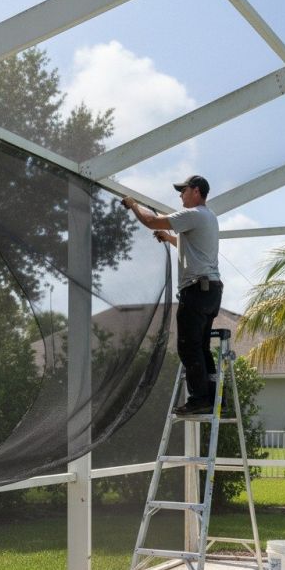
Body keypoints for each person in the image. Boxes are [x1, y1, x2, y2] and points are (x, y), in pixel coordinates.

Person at [122, 175, 222, 414]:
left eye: (183, 190)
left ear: (196, 191)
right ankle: (214, 398)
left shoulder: (194, 214)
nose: (180, 195)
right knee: (202, 347)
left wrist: (133, 204)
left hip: (196, 290)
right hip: (211, 290)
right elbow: (194, 249)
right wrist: (169, 238)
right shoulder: (209, 217)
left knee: (188, 347)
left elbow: (151, 221)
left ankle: (199, 399)